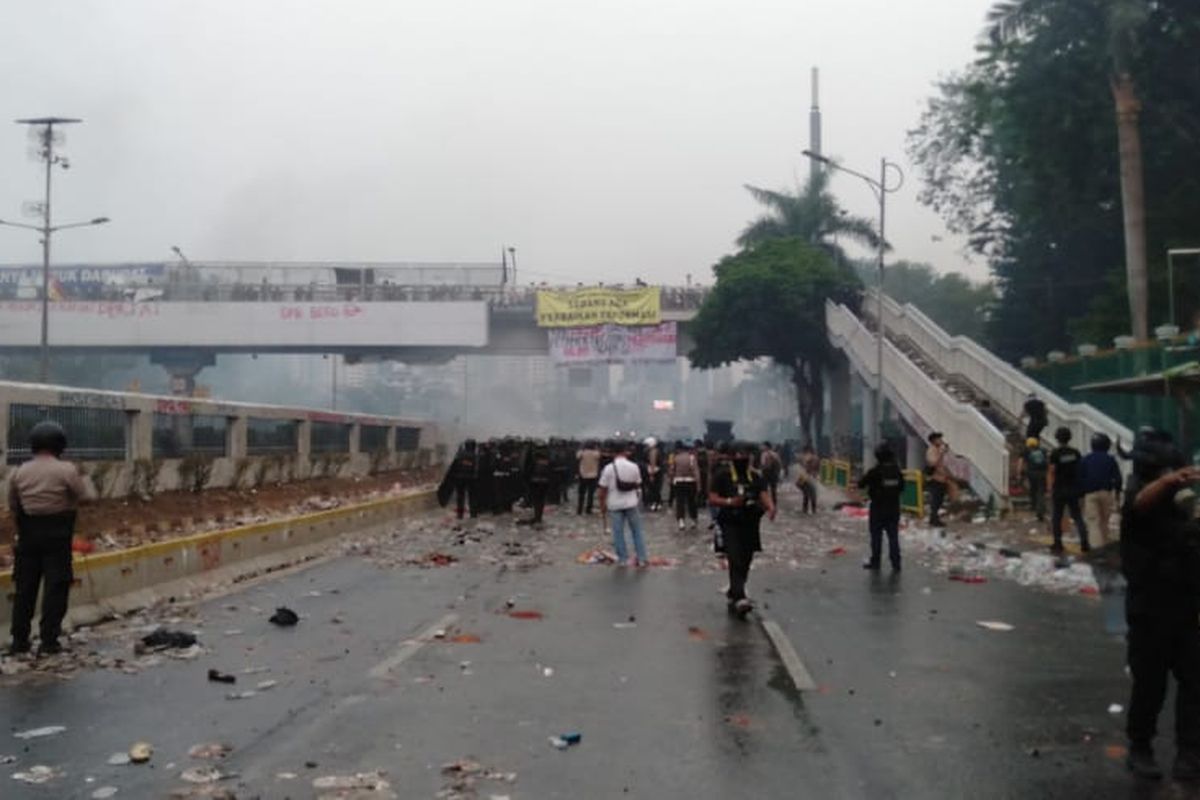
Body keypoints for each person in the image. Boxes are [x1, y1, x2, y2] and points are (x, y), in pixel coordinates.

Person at [1119, 430, 1200, 780]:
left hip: (1188, 607)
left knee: (1195, 684)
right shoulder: (1142, 496)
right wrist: (1168, 482)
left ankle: (1189, 753)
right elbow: (1141, 504)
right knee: (1149, 684)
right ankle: (1140, 747)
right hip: (1149, 607)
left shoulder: (1186, 507)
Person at [7, 421, 90, 657]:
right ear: (60, 445)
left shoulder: (19, 471)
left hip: (27, 536)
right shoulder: (66, 470)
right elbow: (84, 496)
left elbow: (13, 504)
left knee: (25, 589)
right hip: (57, 536)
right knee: (56, 587)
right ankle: (49, 640)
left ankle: (19, 641)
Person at [710, 441, 776, 616]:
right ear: (732, 457)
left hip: (750, 523)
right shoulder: (722, 475)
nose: (741, 458)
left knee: (746, 558)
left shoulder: (755, 476)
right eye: (738, 454)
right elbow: (712, 497)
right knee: (735, 557)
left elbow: (763, 493)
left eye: (745, 455)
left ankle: (735, 590)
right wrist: (731, 502)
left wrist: (770, 507)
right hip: (729, 523)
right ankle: (740, 597)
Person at [598, 441, 648, 567]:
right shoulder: (634, 466)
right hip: (631, 503)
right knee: (637, 531)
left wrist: (602, 505)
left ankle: (623, 559)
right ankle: (642, 558)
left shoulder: (608, 468)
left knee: (618, 533)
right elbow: (638, 484)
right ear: (625, 452)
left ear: (613, 453)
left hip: (614, 504)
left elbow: (602, 489)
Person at [857, 444, 906, 571]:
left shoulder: (875, 472)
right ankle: (896, 564)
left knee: (876, 537)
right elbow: (902, 488)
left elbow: (861, 484)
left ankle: (876, 562)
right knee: (893, 537)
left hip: (878, 508)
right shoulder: (897, 471)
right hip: (893, 508)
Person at [1048, 426, 1090, 553]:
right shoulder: (1075, 453)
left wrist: (1050, 488)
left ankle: (1058, 543)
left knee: (1057, 516)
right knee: (1077, 516)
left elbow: (1052, 471)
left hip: (1060, 488)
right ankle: (1084, 542)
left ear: (1057, 438)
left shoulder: (1055, 453)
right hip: (1073, 488)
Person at [1080, 432, 1123, 546]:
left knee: (1093, 522)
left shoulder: (1086, 459)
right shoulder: (1110, 459)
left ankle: (1096, 549)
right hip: (1106, 493)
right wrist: (1117, 494)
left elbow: (1079, 477)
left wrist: (1080, 495)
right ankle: (1104, 545)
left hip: (1090, 494)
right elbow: (1118, 479)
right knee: (1104, 522)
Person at [925, 433, 956, 527]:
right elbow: (933, 464)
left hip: (941, 479)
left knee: (938, 500)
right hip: (935, 479)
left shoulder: (937, 450)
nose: (941, 440)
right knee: (936, 500)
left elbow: (941, 465)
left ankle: (933, 518)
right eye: (939, 439)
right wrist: (941, 453)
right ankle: (934, 519)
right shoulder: (931, 450)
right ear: (934, 440)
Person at [670, 440, 700, 530]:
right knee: (691, 502)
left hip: (678, 481)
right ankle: (693, 520)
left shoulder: (676, 458)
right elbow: (696, 472)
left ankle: (681, 521)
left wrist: (671, 480)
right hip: (690, 481)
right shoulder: (692, 458)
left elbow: (672, 471)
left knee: (680, 502)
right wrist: (699, 485)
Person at [1021, 437, 1049, 522]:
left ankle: (1035, 507)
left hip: (1032, 474)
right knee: (1041, 491)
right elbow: (1048, 461)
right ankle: (1041, 508)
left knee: (1033, 490)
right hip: (1042, 473)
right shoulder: (1043, 450)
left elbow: (1021, 462)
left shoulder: (1027, 451)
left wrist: (1020, 473)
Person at [449, 440, 479, 521]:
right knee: (472, 497)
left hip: (460, 478)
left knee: (460, 497)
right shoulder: (474, 456)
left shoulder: (460, 455)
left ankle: (460, 515)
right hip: (471, 479)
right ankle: (473, 514)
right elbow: (476, 468)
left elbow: (455, 466)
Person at [576, 440, 601, 515]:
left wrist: (581, 448)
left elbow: (577, 456)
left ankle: (579, 509)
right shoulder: (596, 453)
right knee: (590, 494)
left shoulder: (582, 453)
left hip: (583, 475)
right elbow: (599, 456)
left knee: (581, 494)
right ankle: (588, 509)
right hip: (593, 475)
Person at [760, 442, 783, 507]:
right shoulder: (775, 454)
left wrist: (762, 469)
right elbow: (779, 464)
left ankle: (767, 503)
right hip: (773, 474)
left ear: (766, 446)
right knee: (773, 489)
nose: (762, 447)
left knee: (765, 489)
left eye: (763, 446)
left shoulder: (764, 454)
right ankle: (774, 503)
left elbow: (763, 465)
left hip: (766, 473)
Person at [799, 445, 820, 514]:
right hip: (811, 476)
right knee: (811, 494)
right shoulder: (815, 458)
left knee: (808, 494)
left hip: (808, 476)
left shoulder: (810, 457)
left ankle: (806, 509)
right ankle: (812, 509)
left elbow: (807, 466)